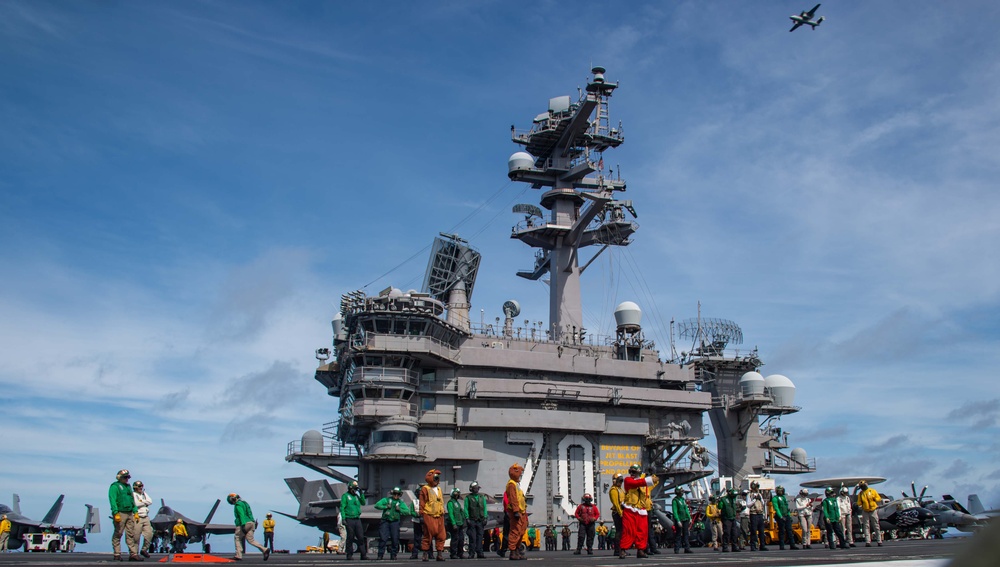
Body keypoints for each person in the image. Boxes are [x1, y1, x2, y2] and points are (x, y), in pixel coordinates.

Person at [619, 463, 658, 559]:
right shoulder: (628, 480)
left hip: (642, 510)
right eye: (630, 471)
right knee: (628, 530)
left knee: (642, 531)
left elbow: (655, 481)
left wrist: (653, 474)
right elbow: (637, 483)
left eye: (634, 472)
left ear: (638, 472)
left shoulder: (645, 483)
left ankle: (641, 550)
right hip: (630, 509)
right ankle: (623, 549)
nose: (631, 473)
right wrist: (648, 479)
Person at [109, 468, 140, 561]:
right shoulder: (115, 486)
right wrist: (115, 512)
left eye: (127, 477)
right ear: (120, 477)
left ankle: (133, 554)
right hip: (120, 512)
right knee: (118, 533)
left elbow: (132, 500)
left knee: (131, 534)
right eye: (125, 477)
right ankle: (117, 554)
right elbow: (112, 500)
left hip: (130, 512)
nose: (127, 479)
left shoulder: (128, 486)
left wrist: (135, 512)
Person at [227, 493, 269, 561]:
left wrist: (243, 524)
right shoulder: (245, 503)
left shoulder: (238, 505)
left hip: (244, 523)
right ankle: (265, 549)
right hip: (252, 523)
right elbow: (250, 513)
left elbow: (241, 515)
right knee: (251, 540)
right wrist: (253, 523)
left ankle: (238, 555)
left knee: (237, 538)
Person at [375, 487, 413, 560]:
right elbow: (377, 505)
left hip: (395, 522)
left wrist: (400, 510)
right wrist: (385, 506)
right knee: (383, 538)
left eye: (398, 494)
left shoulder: (401, 503)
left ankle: (393, 554)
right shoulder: (386, 500)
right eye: (395, 494)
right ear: (392, 494)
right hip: (385, 521)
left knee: (395, 539)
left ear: (400, 495)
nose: (396, 495)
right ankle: (380, 555)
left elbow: (407, 511)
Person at [418, 468, 446, 562]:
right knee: (428, 535)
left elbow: (441, 501)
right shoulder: (425, 489)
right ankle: (425, 554)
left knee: (441, 535)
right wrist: (421, 513)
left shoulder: (439, 489)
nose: (437, 480)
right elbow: (422, 502)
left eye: (438, 478)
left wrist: (443, 510)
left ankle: (439, 554)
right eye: (435, 478)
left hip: (439, 515)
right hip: (429, 514)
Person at [505, 463, 528, 561]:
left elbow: (520, 498)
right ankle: (513, 551)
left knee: (521, 531)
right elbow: (513, 498)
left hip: (521, 511)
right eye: (519, 472)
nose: (521, 475)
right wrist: (515, 511)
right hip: (516, 512)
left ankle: (517, 550)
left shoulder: (516, 484)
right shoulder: (511, 484)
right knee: (515, 531)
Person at [340, 481, 367, 560]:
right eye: (354, 489)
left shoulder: (356, 496)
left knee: (361, 537)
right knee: (350, 537)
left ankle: (363, 555)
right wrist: (344, 518)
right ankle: (349, 555)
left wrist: (361, 494)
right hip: (349, 519)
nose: (355, 490)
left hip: (357, 519)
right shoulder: (345, 496)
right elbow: (342, 507)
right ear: (350, 488)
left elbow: (363, 502)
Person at [855, 481, 882, 547]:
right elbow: (859, 502)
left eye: (863, 485)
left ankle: (879, 540)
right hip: (865, 511)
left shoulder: (872, 491)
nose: (862, 487)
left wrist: (874, 498)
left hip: (873, 510)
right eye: (861, 486)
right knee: (866, 526)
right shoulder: (861, 494)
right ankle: (867, 541)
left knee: (876, 525)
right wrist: (857, 504)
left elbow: (878, 498)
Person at [465, 481, 488, 559]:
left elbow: (484, 508)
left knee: (480, 537)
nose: (477, 489)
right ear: (472, 489)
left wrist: (485, 517)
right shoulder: (468, 498)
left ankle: (480, 552)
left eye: (477, 488)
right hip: (472, 520)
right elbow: (466, 508)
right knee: (472, 538)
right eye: (475, 488)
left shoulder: (482, 497)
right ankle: (471, 553)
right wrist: (467, 518)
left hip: (480, 520)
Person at [771, 486, 798, 550]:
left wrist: (789, 516)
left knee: (790, 530)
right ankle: (782, 545)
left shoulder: (784, 498)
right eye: (780, 490)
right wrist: (780, 516)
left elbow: (786, 507)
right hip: (780, 516)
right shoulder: (775, 498)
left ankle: (792, 544)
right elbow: (776, 508)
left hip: (786, 515)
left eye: (782, 490)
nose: (781, 491)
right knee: (782, 531)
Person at [132, 481, 153, 558]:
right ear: (135, 487)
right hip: (137, 517)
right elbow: (136, 504)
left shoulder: (144, 494)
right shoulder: (133, 494)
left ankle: (144, 549)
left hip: (146, 517)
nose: (141, 487)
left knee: (149, 534)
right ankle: (134, 553)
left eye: (141, 486)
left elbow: (150, 501)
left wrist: (143, 501)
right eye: (139, 486)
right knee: (136, 536)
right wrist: (145, 503)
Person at [747, 481, 768, 551]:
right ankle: (753, 545)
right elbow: (748, 504)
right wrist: (754, 500)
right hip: (754, 514)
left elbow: (763, 504)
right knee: (753, 530)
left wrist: (759, 499)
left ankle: (762, 545)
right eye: (756, 486)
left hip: (760, 514)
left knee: (761, 531)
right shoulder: (749, 495)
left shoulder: (760, 494)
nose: (757, 488)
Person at [447, 488, 467, 559]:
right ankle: (453, 554)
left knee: (461, 539)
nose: (457, 495)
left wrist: (463, 519)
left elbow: (461, 512)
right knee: (455, 539)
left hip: (460, 523)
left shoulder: (457, 503)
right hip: (454, 524)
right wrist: (453, 523)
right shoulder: (450, 503)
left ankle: (460, 553)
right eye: (456, 494)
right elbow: (451, 513)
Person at [671, 487, 692, 554]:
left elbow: (686, 509)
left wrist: (689, 517)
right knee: (678, 534)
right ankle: (676, 549)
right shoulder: (675, 500)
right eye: (681, 491)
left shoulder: (683, 500)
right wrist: (677, 520)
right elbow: (675, 511)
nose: (682, 492)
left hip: (685, 519)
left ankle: (687, 548)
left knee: (686, 534)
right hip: (679, 519)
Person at [719, 488, 740, 553]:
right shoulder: (724, 499)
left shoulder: (733, 499)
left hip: (733, 518)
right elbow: (719, 507)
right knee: (727, 532)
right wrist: (719, 502)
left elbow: (734, 507)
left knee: (734, 533)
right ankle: (725, 546)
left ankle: (734, 546)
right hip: (726, 518)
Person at [608, 473, 624, 556]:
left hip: (621, 512)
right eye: (619, 480)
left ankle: (622, 549)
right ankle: (617, 550)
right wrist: (621, 513)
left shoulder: (620, 489)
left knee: (622, 532)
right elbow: (616, 503)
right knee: (619, 531)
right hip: (617, 513)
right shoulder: (614, 490)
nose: (620, 482)